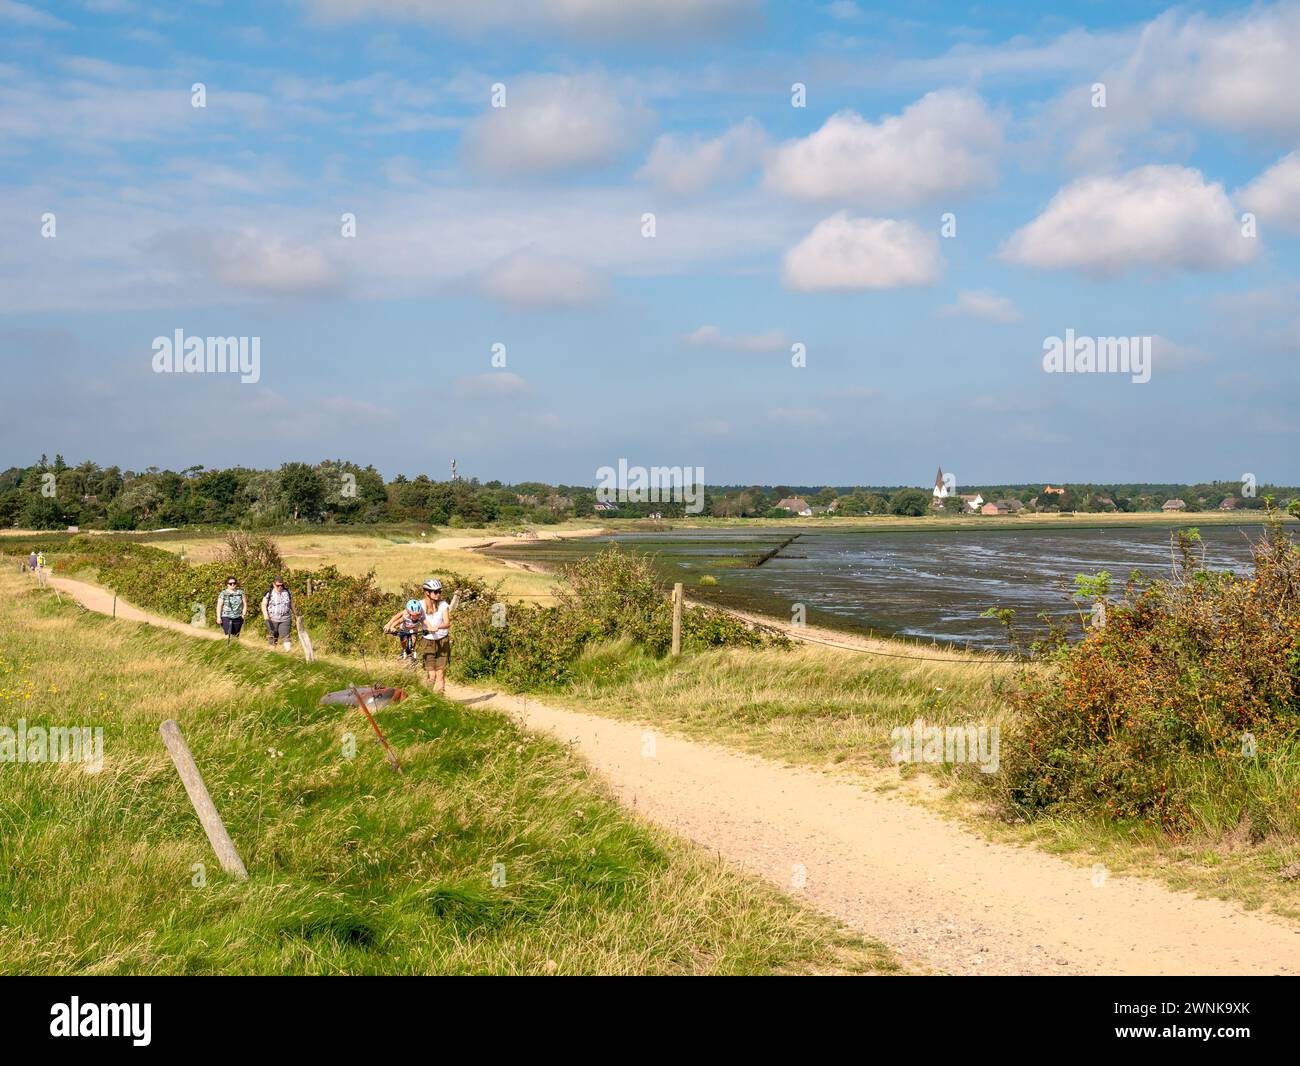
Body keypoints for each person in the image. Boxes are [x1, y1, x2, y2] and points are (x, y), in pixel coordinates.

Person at [419, 578, 451, 693]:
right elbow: (406, 614)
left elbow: (447, 623)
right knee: (431, 675)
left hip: (442, 641)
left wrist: (438, 627)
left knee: (440, 674)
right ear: (427, 592)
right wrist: (390, 624)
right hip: (428, 642)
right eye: (435, 592)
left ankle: (441, 700)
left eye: (439, 591)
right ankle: (427, 698)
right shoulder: (420, 605)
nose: (438, 594)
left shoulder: (443, 605)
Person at [382, 599, 426, 663]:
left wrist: (427, 629)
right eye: (413, 615)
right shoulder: (405, 615)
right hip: (404, 630)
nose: (415, 617)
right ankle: (403, 650)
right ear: (408, 612)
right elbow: (398, 620)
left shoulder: (420, 615)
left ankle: (411, 652)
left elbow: (424, 622)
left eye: (417, 615)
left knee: (413, 641)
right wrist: (391, 626)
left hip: (413, 631)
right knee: (404, 640)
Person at [261, 576, 294, 650]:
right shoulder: (269, 593)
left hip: (285, 618)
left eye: (281, 585)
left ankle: (288, 653)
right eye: (278, 585)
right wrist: (266, 616)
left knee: (286, 636)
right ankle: (272, 654)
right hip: (272, 618)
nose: (280, 587)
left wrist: (296, 614)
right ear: (273, 584)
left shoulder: (287, 592)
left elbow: (291, 604)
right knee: (273, 637)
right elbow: (263, 604)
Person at [217, 577, 247, 642]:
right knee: (228, 635)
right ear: (227, 584)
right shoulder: (223, 593)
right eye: (230, 583)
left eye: (234, 583)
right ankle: (226, 648)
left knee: (235, 637)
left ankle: (233, 650)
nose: (232, 584)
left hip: (238, 616)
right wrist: (218, 617)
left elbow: (245, 603)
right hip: (226, 616)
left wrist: (243, 614)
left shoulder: (241, 592)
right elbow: (219, 606)